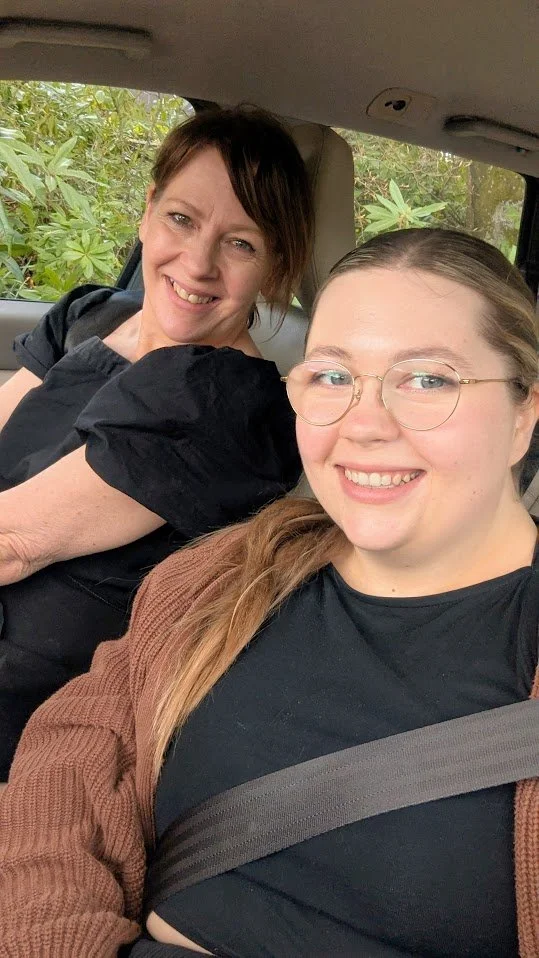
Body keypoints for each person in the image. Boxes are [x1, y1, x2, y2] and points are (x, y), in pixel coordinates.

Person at [1, 227, 538, 958]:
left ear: (522, 413)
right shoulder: (226, 572)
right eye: (331, 376)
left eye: (427, 379)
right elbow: (64, 775)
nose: (364, 425)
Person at [0, 105, 313, 778]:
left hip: (30, 734)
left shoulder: (226, 402)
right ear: (148, 210)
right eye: (182, 219)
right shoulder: (89, 316)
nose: (197, 264)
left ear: (275, 264)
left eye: (240, 243)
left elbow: (12, 543)